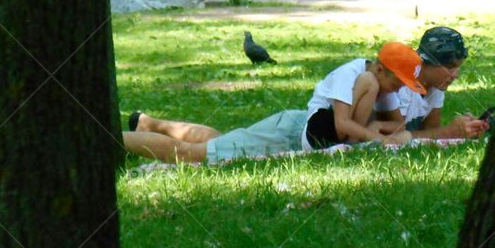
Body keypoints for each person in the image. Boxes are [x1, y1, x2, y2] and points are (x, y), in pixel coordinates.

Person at [123, 41, 424, 164]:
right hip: (290, 133)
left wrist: (389, 129)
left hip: (292, 128)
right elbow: (344, 125)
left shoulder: (378, 83)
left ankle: (148, 123)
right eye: (396, 83)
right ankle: (109, 137)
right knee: (193, 155)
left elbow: (396, 125)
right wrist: (378, 136)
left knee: (222, 143)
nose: (396, 90)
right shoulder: (359, 77)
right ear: (381, 70)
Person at [372, 27, 489, 139]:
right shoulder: (401, 85)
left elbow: (431, 132)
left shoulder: (436, 85)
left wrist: (464, 130)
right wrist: (450, 132)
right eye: (449, 67)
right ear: (425, 62)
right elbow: (391, 137)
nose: (455, 75)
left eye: (458, 68)